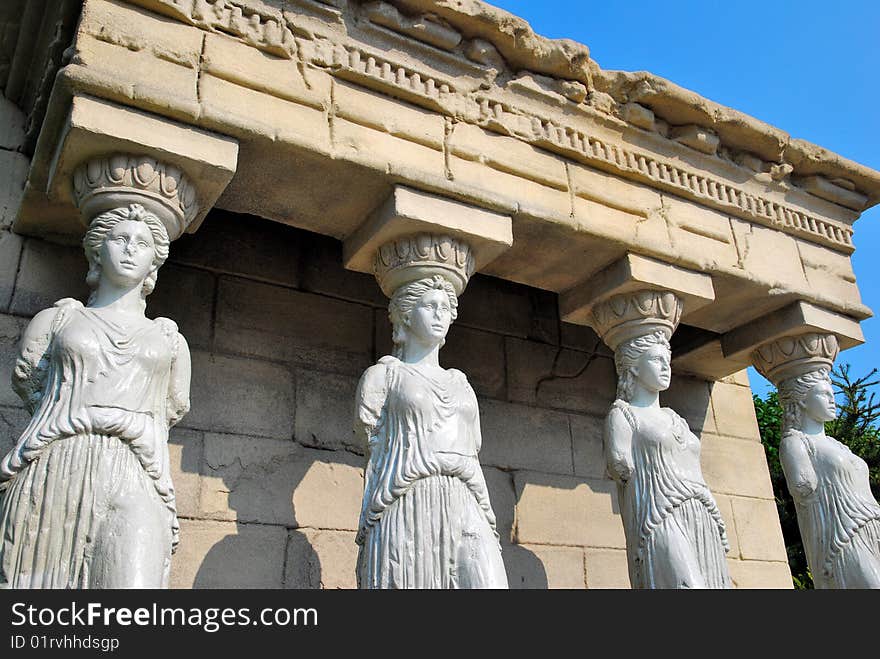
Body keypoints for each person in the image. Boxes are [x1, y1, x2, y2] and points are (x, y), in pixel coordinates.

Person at [0, 203, 190, 588]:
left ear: (154, 261)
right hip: (56, 460)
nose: (129, 248)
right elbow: (30, 383)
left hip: (137, 467)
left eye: (142, 243)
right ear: (97, 251)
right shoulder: (55, 321)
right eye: (119, 239)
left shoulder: (170, 340)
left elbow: (174, 405)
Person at [354, 274, 507, 588]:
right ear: (407, 314)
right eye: (430, 306)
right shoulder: (381, 377)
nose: (440, 314)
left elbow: (474, 443)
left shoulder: (461, 383)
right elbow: (370, 435)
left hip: (466, 496)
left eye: (445, 307)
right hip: (406, 494)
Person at [604, 330, 730, 588]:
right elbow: (620, 463)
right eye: (655, 360)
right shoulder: (623, 415)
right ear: (634, 368)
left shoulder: (676, 417)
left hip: (701, 511)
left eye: (667, 361)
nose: (665, 367)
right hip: (658, 514)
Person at [778, 368, 880, 588]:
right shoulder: (795, 442)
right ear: (803, 401)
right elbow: (802, 485)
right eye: (824, 394)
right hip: (842, 532)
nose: (833, 399)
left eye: (832, 393)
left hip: (872, 523)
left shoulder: (837, 445)